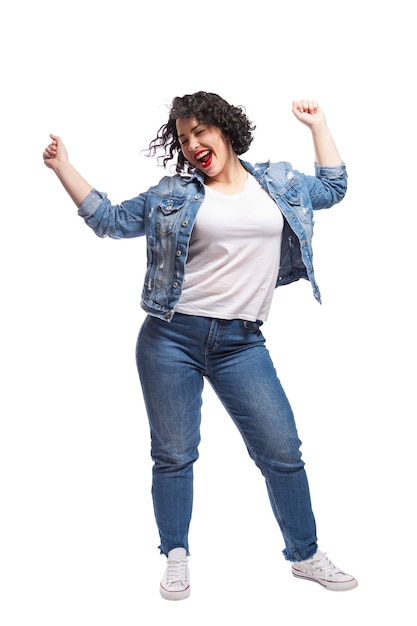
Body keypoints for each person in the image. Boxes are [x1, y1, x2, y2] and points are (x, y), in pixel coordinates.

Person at [43, 91, 358, 600]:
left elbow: (334, 186)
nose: (192, 146)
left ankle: (305, 555)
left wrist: (318, 125)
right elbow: (111, 220)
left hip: (241, 343)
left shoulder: (278, 183)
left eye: (200, 133)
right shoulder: (175, 194)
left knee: (282, 451)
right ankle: (176, 555)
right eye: (184, 139)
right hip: (171, 338)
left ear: (224, 130)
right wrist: (64, 166)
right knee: (174, 454)